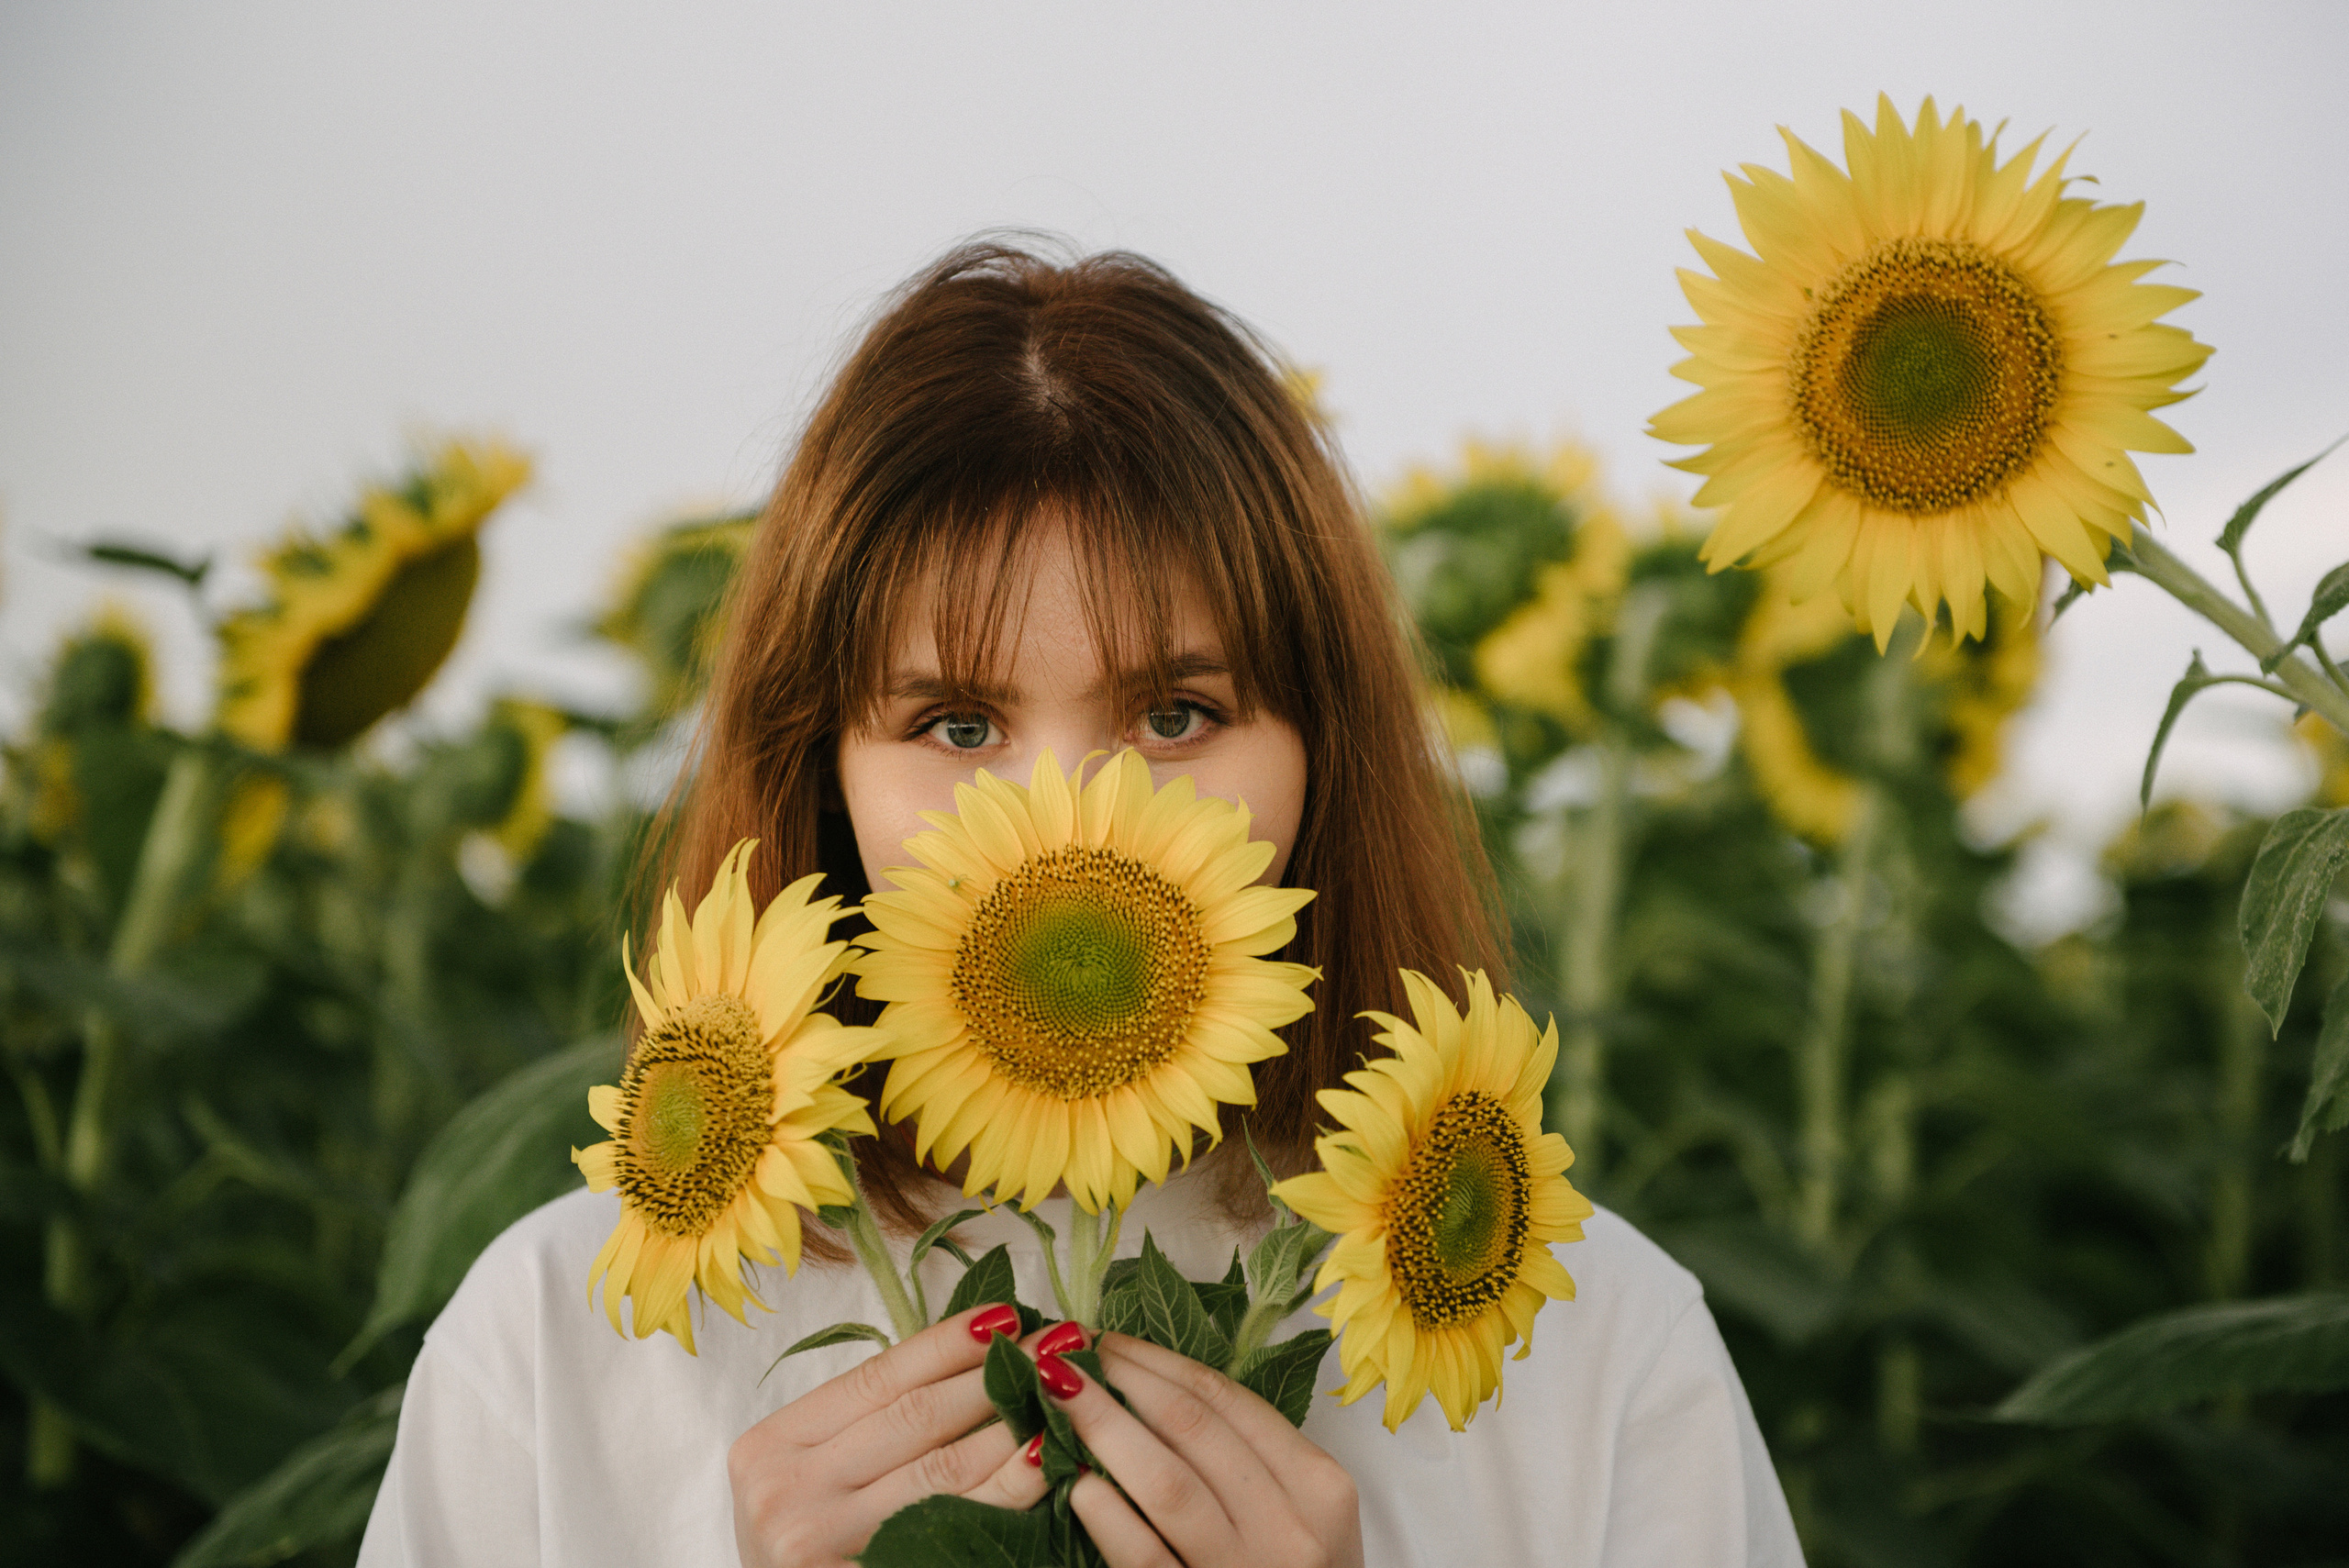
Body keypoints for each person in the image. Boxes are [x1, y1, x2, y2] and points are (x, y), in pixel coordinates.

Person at [358, 241, 1804, 1568]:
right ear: (823, 773)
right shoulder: (557, 1349)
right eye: (958, 726)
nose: (1065, 827)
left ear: (1323, 752)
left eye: (1177, 711)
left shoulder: (1584, 1349)